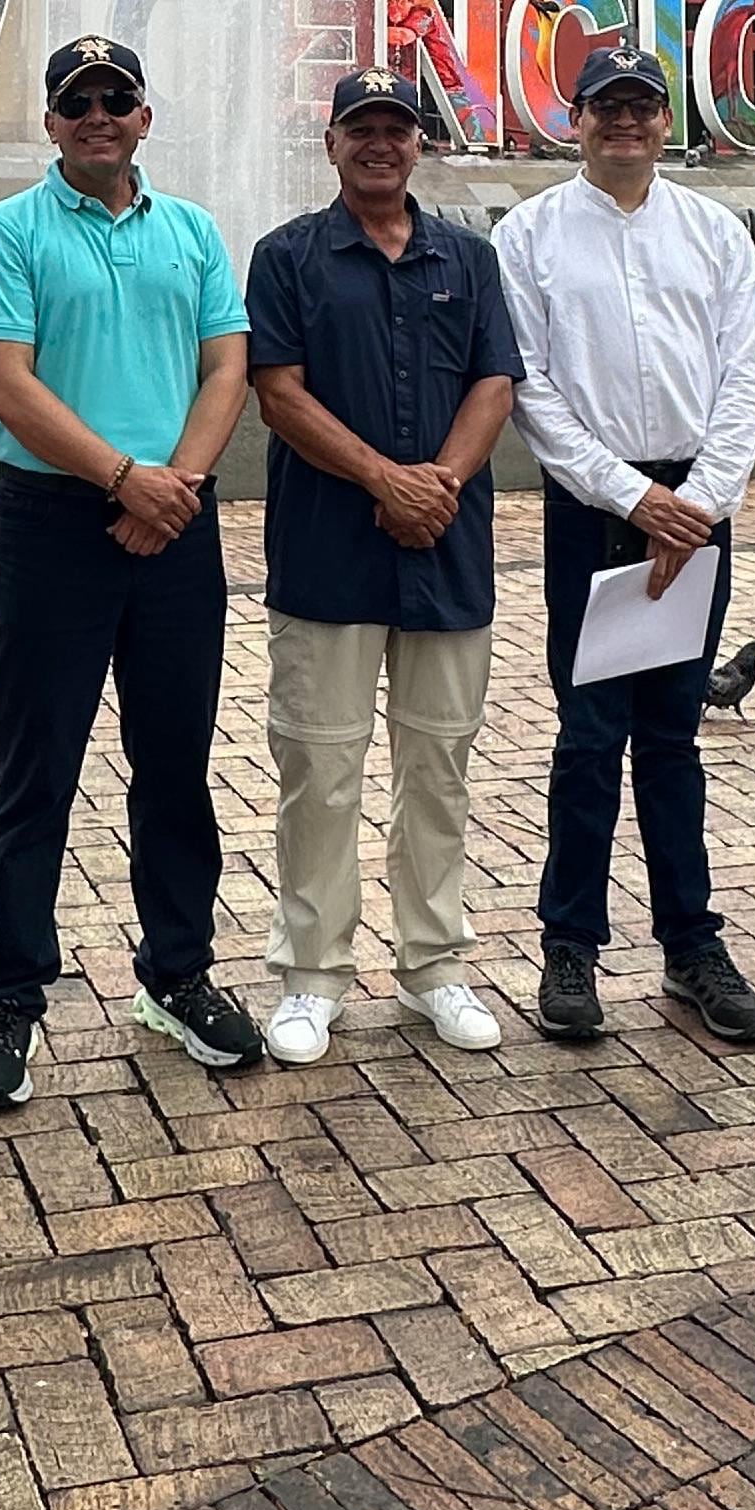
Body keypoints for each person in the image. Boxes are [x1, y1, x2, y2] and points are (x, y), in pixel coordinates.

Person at [0, 33, 261, 1102]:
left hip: (175, 523)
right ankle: (10, 995)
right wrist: (123, 478)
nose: (97, 114)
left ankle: (177, 975)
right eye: (76, 100)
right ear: (50, 121)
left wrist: (170, 484)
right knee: (37, 772)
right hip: (55, 523)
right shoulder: (9, 231)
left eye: (116, 98)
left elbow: (228, 366)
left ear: (143, 116)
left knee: (176, 767)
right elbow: (5, 383)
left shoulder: (191, 230)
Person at [494, 40, 755, 1047]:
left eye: (642, 107)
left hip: (696, 504)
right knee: (588, 736)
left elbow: (745, 376)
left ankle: (691, 943)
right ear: (576, 119)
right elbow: (530, 388)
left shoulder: (714, 232)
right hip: (594, 510)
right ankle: (569, 947)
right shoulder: (528, 235)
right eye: (606, 106)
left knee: (671, 736)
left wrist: (695, 503)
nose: (625, 123)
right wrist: (629, 498)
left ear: (666, 121)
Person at [245, 65, 522, 1062]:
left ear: (418, 143)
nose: (380, 143)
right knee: (318, 769)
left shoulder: (470, 258)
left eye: (397, 128)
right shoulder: (288, 258)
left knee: (436, 767)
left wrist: (436, 485)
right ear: (331, 143)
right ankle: (311, 976)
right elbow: (277, 391)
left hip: (447, 551)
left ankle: (434, 965)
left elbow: (495, 382)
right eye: (361, 127)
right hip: (328, 552)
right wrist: (382, 482)